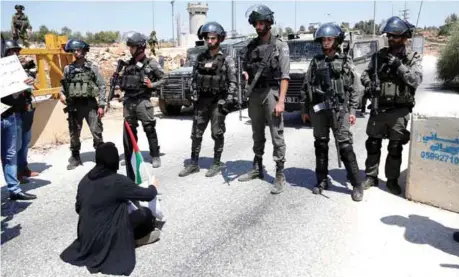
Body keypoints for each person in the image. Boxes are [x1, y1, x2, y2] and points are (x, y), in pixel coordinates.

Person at [60, 142, 160, 276]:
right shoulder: (118, 181)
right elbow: (148, 195)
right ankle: (135, 239)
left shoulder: (85, 180)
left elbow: (79, 209)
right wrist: (153, 186)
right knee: (145, 214)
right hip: (108, 236)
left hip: (86, 238)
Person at [301, 23, 364, 202]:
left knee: (344, 146)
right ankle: (321, 180)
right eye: (324, 39)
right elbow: (306, 86)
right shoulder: (315, 62)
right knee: (320, 145)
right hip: (320, 111)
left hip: (339, 110)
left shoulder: (345, 61)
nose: (326, 42)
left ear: (336, 41)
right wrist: (304, 109)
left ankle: (357, 184)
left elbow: (356, 88)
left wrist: (352, 110)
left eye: (329, 39)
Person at [360, 16, 422, 195]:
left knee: (395, 148)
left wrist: (398, 66)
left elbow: (416, 80)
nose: (390, 39)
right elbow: (365, 75)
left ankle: (392, 180)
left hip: (399, 111)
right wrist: (369, 84)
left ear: (404, 38)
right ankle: (371, 176)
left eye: (394, 36)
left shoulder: (412, 58)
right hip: (379, 108)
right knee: (373, 144)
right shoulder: (379, 57)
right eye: (389, 35)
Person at [237, 5, 290, 194]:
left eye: (261, 23)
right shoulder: (251, 46)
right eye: (256, 23)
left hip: (271, 92)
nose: (258, 27)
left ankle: (279, 174)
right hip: (255, 94)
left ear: (268, 23)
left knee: (276, 134)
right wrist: (244, 74)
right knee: (256, 132)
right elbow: (245, 67)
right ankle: (257, 167)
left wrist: (281, 100)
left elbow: (285, 75)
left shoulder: (279, 45)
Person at [178, 22, 237, 178]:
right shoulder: (200, 58)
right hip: (202, 101)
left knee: (217, 133)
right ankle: (193, 163)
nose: (209, 41)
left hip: (218, 101)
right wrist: (193, 93)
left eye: (212, 38)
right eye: (207, 38)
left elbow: (233, 82)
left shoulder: (227, 59)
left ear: (219, 39)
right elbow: (193, 78)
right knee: (196, 134)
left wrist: (228, 100)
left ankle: (217, 163)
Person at [120, 32, 165, 172]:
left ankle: (155, 155)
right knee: (129, 130)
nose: (130, 50)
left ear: (140, 47)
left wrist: (152, 85)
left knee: (149, 128)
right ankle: (131, 154)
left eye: (132, 47)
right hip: (129, 102)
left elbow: (164, 78)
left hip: (142, 101)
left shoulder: (151, 62)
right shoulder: (129, 64)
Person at [59, 39, 107, 170]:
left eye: (78, 50)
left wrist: (102, 105)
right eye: (74, 50)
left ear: (84, 51)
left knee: (96, 131)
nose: (76, 52)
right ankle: (75, 157)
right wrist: (62, 95)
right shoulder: (68, 69)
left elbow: (102, 86)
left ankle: (101, 156)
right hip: (74, 106)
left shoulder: (92, 68)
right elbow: (62, 88)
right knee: (74, 132)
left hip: (90, 105)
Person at [1, 39, 37, 201]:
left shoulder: (20, 71)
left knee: (10, 154)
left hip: (11, 115)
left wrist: (29, 82)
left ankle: (14, 190)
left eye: (17, 52)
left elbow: (29, 89)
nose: (14, 55)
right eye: (11, 51)